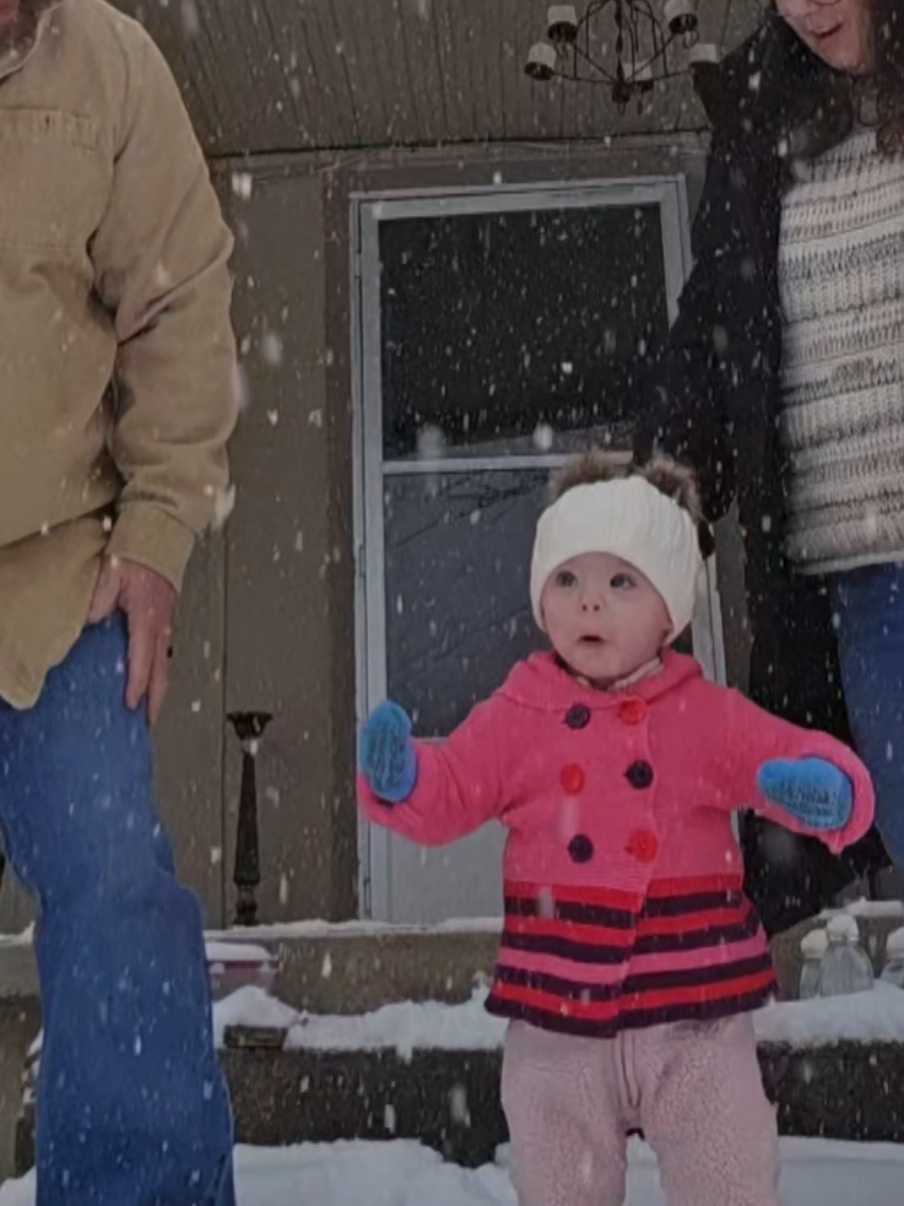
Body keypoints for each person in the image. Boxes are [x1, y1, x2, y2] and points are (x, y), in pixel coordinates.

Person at [358, 453, 874, 1206]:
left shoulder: (703, 714)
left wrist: (828, 791)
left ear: (671, 610)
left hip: (692, 1009)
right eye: (567, 581)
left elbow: (783, 755)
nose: (588, 605)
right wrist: (405, 777)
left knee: (727, 1169)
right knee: (558, 1175)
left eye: (619, 582)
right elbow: (456, 787)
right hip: (559, 1015)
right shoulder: (520, 712)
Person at [0, 1, 238, 1203]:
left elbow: (178, 303)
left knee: (111, 891)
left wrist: (156, 532)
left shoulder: (106, 63)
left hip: (61, 581)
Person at [636, 0, 904, 933]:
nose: (811, 7)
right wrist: (650, 511)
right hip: (856, 583)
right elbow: (714, 334)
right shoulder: (759, 113)